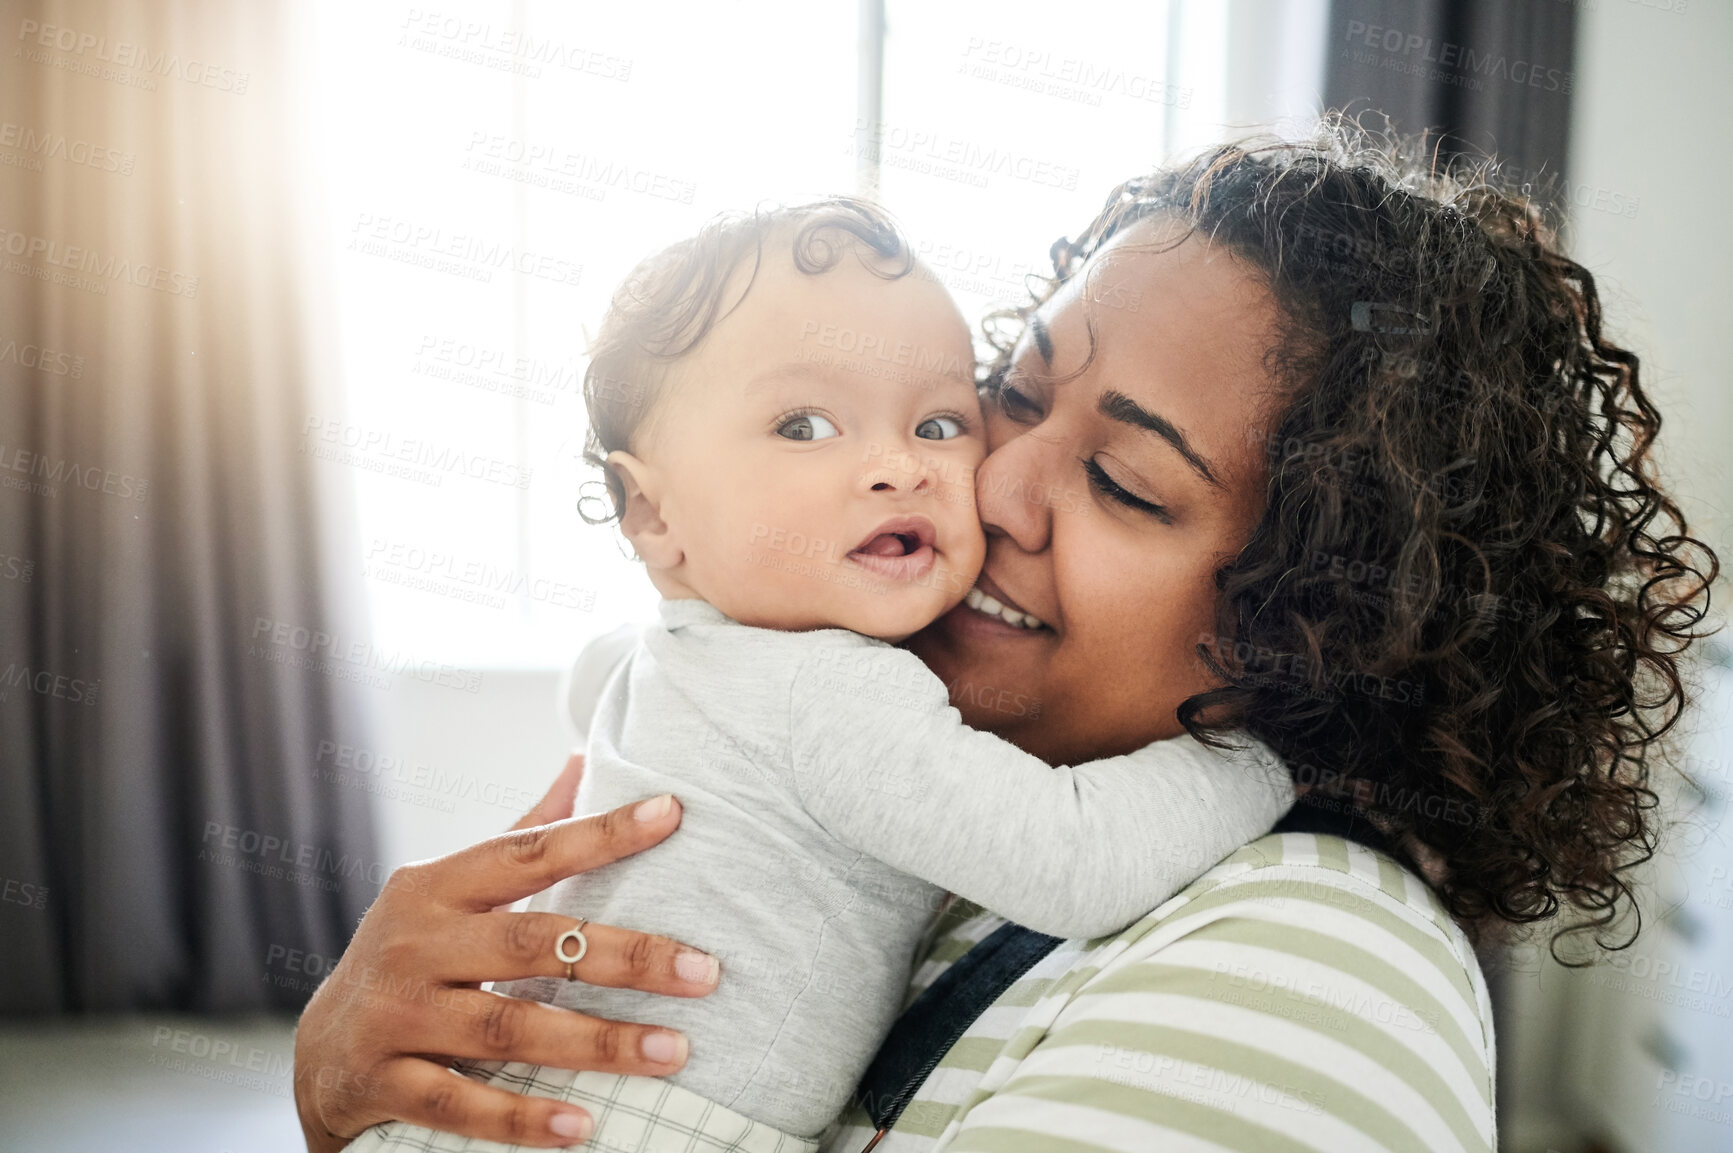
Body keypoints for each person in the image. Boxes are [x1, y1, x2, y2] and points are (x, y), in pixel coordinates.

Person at [294, 126, 1717, 1153]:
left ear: (1330, 619)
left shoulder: (1316, 971)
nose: (982, 484)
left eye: (1124, 484)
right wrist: (350, 1083)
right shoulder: (933, 764)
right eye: (1007, 397)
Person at [344, 201, 1291, 1153]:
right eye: (803, 425)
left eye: (937, 420)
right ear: (652, 511)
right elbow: (1076, 858)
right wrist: (1265, 756)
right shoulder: (833, 697)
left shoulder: (666, 654)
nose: (897, 466)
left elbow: (588, 689)